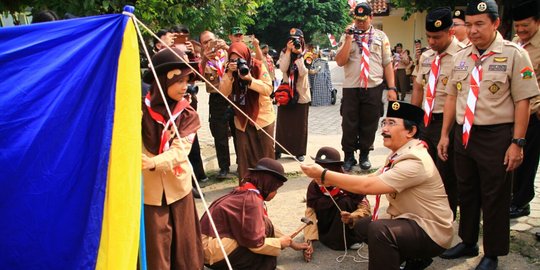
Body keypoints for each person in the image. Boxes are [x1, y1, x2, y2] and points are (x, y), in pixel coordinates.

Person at [437, 1, 540, 269]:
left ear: (495, 23)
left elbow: (523, 101)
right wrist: (445, 135)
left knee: (495, 196)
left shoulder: (515, 54)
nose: (472, 30)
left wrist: (517, 143)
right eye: (468, 24)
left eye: (479, 23)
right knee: (466, 191)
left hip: (496, 135)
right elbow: (451, 97)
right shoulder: (461, 56)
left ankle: (492, 252)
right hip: (464, 133)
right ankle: (468, 241)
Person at [301, 101, 453, 270]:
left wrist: (324, 174)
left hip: (431, 231)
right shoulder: (399, 154)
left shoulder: (415, 160)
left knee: (379, 230)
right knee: (360, 225)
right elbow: (371, 177)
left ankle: (413, 255)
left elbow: (368, 186)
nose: (384, 129)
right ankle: (413, 259)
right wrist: (329, 178)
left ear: (411, 131)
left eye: (392, 123)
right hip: (410, 222)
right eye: (384, 123)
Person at [141, 48, 204, 269]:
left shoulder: (188, 114)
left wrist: (153, 162)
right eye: (178, 80)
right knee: (156, 248)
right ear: (161, 81)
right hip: (149, 193)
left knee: (185, 248)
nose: (184, 86)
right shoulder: (139, 109)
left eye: (186, 80)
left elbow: (180, 150)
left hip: (179, 188)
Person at [200, 158, 309, 270]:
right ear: (268, 184)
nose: (275, 193)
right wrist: (279, 243)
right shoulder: (252, 201)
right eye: (275, 189)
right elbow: (255, 243)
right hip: (213, 253)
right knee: (258, 246)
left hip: (206, 248)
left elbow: (262, 223)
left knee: (263, 226)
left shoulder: (246, 190)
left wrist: (292, 244)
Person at [335, 2, 398, 172]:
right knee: (349, 123)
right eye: (357, 20)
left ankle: (364, 155)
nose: (360, 23)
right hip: (351, 87)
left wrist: (392, 88)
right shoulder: (346, 35)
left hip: (373, 86)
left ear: (371, 17)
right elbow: (340, 61)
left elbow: (387, 64)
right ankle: (348, 155)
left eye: (363, 19)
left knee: (369, 123)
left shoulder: (381, 37)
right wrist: (348, 39)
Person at [410, 7, 460, 219]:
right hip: (425, 121)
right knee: (424, 170)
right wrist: (411, 121)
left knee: (447, 173)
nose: (431, 42)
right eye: (429, 37)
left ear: (451, 33)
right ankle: (428, 213)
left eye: (437, 37)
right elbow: (418, 88)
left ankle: (447, 217)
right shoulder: (427, 57)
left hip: (449, 122)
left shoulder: (463, 55)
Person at [302, 147, 371, 262]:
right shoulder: (314, 187)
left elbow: (365, 207)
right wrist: (308, 241)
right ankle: (329, 238)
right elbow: (310, 212)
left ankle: (350, 240)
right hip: (326, 230)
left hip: (348, 228)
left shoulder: (349, 183)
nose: (318, 178)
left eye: (323, 173)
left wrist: (352, 217)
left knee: (344, 202)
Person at [219, 42, 275, 181]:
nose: (236, 62)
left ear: (246, 56)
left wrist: (250, 80)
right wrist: (229, 73)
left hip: (262, 117)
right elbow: (223, 92)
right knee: (245, 154)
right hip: (241, 119)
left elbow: (268, 89)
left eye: (239, 59)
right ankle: (247, 185)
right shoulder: (229, 71)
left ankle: (269, 183)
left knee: (266, 152)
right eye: (232, 60)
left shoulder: (257, 66)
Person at [510, 0, 540, 219]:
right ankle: (515, 197)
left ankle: (522, 201)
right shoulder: (515, 44)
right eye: (517, 26)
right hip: (516, 112)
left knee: (528, 160)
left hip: (535, 112)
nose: (520, 30)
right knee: (515, 159)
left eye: (525, 26)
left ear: (537, 22)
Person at [200, 30, 237, 179]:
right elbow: (199, 74)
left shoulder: (228, 54)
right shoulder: (203, 60)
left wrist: (228, 47)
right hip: (216, 99)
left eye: (211, 40)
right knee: (219, 135)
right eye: (205, 42)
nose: (209, 44)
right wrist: (204, 58)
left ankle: (242, 162)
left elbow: (242, 60)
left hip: (233, 97)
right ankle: (224, 167)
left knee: (238, 131)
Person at [275, 28, 311, 162]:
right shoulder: (284, 52)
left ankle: (299, 151)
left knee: (299, 124)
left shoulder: (307, 53)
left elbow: (302, 72)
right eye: (291, 39)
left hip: (301, 93)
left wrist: (300, 55)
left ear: (302, 40)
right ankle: (279, 149)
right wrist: (289, 52)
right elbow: (283, 68)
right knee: (283, 123)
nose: (294, 42)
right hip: (286, 92)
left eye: (297, 39)